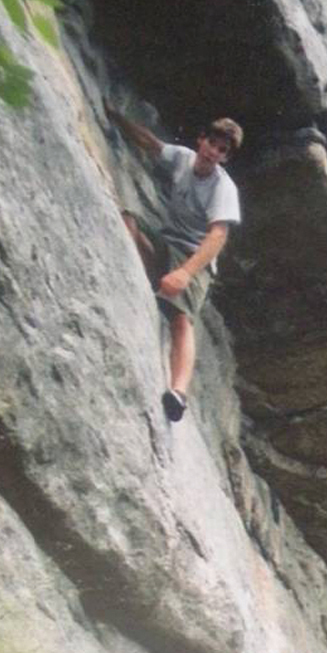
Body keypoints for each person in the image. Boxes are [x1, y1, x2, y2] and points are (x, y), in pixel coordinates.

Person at [106, 105, 243, 421]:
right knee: (129, 221)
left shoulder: (223, 188)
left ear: (225, 158)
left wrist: (185, 272)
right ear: (201, 140)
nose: (213, 152)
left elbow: (217, 237)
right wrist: (114, 116)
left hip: (194, 258)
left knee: (181, 319)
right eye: (212, 144)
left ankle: (178, 393)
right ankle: (152, 284)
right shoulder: (183, 157)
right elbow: (151, 143)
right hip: (167, 241)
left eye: (221, 151)